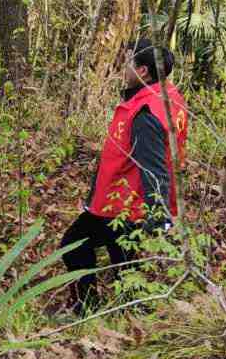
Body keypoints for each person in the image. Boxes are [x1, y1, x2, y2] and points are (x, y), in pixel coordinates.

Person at [59, 37, 187, 313]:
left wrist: (158, 217)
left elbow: (154, 168)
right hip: (117, 200)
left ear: (143, 71)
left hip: (126, 207)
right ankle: (109, 312)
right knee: (123, 268)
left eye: (128, 61)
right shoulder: (165, 97)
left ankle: (89, 310)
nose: (123, 67)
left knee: (75, 246)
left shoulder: (145, 113)